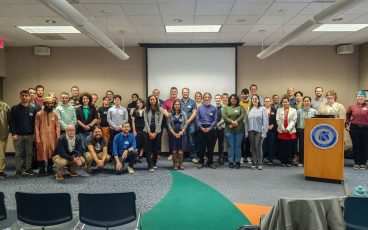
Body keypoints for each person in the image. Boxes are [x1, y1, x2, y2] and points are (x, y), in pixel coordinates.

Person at [9, 89, 38, 176]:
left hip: (30, 135)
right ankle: (18, 169)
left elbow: (35, 123)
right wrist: (13, 133)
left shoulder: (33, 109)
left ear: (29, 97)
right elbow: (11, 122)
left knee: (29, 153)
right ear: (20, 97)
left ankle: (28, 168)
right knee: (18, 153)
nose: (24, 97)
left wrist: (35, 135)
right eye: (22, 95)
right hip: (18, 135)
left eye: (26, 95)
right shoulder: (14, 108)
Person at [34, 96, 60, 176]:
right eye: (47, 103)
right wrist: (37, 138)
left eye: (51, 103)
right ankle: (41, 169)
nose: (49, 105)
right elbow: (36, 127)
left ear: (53, 104)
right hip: (42, 137)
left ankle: (50, 169)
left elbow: (57, 126)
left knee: (51, 152)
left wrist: (58, 137)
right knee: (41, 153)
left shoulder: (54, 114)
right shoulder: (39, 114)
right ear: (44, 104)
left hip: (52, 138)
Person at [345, 90, 368, 170]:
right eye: (358, 96)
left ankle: (363, 163)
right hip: (354, 128)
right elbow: (348, 116)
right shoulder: (352, 106)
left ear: (365, 97)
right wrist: (347, 124)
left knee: (365, 146)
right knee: (356, 146)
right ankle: (357, 163)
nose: (360, 97)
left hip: (366, 129)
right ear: (356, 97)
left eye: (362, 96)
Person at [222, 94, 245, 169]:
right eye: (232, 99)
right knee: (230, 146)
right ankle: (231, 161)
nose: (233, 100)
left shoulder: (240, 107)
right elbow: (224, 116)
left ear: (237, 100)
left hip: (239, 130)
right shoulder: (226, 107)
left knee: (238, 147)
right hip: (229, 130)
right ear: (229, 100)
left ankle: (237, 162)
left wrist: (235, 122)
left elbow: (242, 116)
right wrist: (232, 122)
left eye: (235, 99)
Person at [246, 95, 268, 170]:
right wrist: (246, 132)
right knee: (252, 147)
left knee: (258, 147)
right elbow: (246, 121)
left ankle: (259, 162)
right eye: (253, 99)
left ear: (258, 100)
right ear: (251, 100)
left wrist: (264, 132)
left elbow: (265, 121)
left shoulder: (262, 108)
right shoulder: (249, 108)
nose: (254, 100)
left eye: (256, 99)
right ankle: (254, 162)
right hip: (250, 131)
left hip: (259, 131)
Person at [196, 92, 218, 169]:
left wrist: (210, 128)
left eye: (208, 97)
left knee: (210, 147)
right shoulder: (199, 108)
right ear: (203, 98)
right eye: (205, 97)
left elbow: (215, 120)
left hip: (211, 129)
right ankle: (201, 162)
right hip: (201, 129)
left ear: (210, 99)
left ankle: (210, 162)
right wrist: (201, 128)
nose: (207, 98)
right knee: (201, 147)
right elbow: (197, 119)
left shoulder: (214, 108)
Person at [144, 95, 163, 172]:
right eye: (151, 99)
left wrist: (155, 133)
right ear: (149, 101)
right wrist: (149, 132)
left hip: (157, 131)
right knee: (148, 148)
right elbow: (145, 121)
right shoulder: (146, 109)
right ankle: (150, 165)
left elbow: (160, 122)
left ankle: (154, 163)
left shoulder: (160, 109)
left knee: (156, 148)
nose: (152, 101)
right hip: (147, 131)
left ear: (156, 100)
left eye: (154, 99)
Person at [276, 97, 298, 167]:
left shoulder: (294, 110)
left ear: (289, 102)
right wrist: (283, 128)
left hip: (290, 130)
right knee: (282, 147)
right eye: (283, 102)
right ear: (282, 103)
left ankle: (288, 161)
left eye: (286, 102)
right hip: (281, 130)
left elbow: (294, 120)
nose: (285, 103)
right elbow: (278, 119)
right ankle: (283, 161)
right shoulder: (279, 110)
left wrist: (288, 129)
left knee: (289, 147)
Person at [296, 96, 317, 167]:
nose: (306, 102)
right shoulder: (299, 111)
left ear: (310, 102)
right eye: (305, 101)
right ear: (303, 102)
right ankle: (301, 161)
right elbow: (297, 121)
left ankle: (310, 161)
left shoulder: (314, 111)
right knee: (301, 146)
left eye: (308, 101)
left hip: (311, 131)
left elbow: (315, 121)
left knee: (311, 146)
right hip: (301, 130)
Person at [167, 99, 187, 170]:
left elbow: (185, 124)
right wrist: (174, 134)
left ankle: (181, 164)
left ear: (180, 105)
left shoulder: (183, 114)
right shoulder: (170, 114)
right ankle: (175, 164)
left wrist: (181, 132)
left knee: (180, 150)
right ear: (173, 105)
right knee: (174, 150)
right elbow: (169, 125)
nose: (177, 106)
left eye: (178, 104)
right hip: (173, 134)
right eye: (175, 104)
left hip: (182, 134)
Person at [180, 87, 198, 163]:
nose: (185, 93)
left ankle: (193, 156)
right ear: (182, 93)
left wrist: (188, 121)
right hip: (181, 125)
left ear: (189, 93)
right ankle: (181, 157)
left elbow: (194, 113)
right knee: (182, 141)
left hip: (191, 124)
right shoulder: (178, 101)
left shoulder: (193, 102)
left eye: (187, 92)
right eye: (184, 92)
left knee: (191, 141)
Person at [162, 87, 179, 161]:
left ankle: (179, 154)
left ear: (177, 92)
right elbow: (164, 111)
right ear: (170, 93)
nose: (173, 93)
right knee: (171, 139)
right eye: (172, 91)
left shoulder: (180, 101)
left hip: (179, 123)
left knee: (180, 139)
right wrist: (172, 117)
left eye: (175, 91)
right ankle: (172, 154)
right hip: (170, 123)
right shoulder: (166, 102)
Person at [262, 97, 277, 165]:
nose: (267, 102)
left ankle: (270, 159)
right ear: (264, 102)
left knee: (271, 144)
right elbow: (259, 120)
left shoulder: (274, 110)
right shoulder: (261, 109)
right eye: (266, 101)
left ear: (270, 102)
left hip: (272, 130)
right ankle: (261, 158)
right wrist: (264, 126)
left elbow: (277, 120)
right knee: (263, 145)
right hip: (263, 130)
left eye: (268, 101)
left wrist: (272, 125)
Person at [239, 88, 251, 164]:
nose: (245, 95)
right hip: (240, 125)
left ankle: (248, 156)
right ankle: (242, 156)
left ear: (248, 94)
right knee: (241, 142)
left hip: (249, 125)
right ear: (241, 95)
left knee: (248, 142)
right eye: (243, 94)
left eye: (246, 94)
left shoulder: (251, 103)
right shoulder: (239, 103)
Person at [132, 98, 145, 163]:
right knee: (136, 143)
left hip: (144, 129)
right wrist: (134, 130)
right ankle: (135, 157)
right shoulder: (135, 111)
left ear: (142, 103)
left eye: (140, 102)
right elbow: (133, 121)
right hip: (137, 129)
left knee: (142, 143)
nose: (139, 104)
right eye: (137, 103)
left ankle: (140, 157)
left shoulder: (146, 110)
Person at [214, 94, 225, 165]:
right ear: (215, 99)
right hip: (214, 128)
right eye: (216, 98)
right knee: (212, 143)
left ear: (221, 99)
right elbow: (211, 118)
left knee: (221, 144)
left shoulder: (224, 108)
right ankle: (210, 158)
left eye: (219, 98)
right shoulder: (213, 108)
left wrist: (220, 125)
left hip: (222, 128)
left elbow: (225, 117)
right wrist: (216, 125)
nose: (218, 99)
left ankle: (221, 157)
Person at [0, 99, 10, 179]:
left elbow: (10, 120)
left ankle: (1, 171)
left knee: (1, 154)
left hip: (2, 134)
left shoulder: (5, 106)